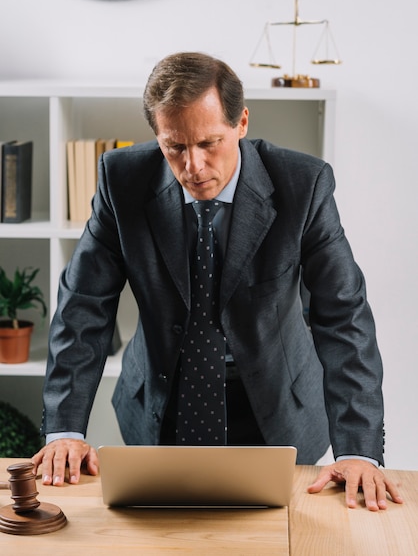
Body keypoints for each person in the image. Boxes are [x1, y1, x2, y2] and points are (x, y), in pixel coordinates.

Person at [32, 52, 402, 511]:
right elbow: (83, 306)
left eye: (209, 143)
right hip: (161, 400)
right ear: (157, 136)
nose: (193, 166)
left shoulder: (303, 185)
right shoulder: (120, 180)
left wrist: (358, 451)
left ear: (241, 123)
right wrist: (65, 431)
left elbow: (343, 317)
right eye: (175, 147)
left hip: (277, 406)